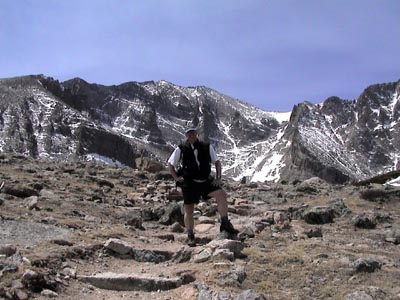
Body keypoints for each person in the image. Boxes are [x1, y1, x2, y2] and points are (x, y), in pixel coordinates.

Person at [167, 126, 238, 247]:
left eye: (193, 133)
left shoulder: (207, 146)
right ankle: (190, 236)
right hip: (189, 182)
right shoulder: (181, 148)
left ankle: (225, 223)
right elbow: (171, 163)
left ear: (197, 134)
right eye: (189, 134)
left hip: (205, 180)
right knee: (189, 209)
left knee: (221, 194)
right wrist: (176, 178)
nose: (191, 136)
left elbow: (217, 162)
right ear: (186, 136)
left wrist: (218, 178)